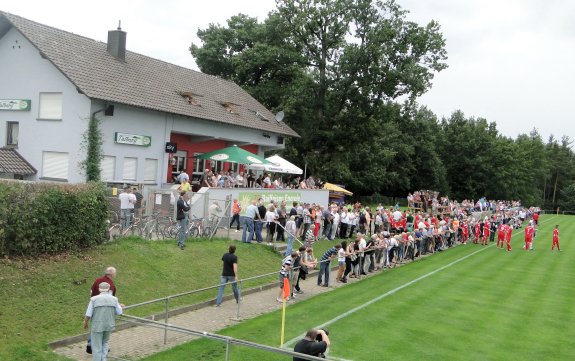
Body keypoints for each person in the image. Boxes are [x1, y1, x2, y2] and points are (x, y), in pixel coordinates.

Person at [83, 282, 123, 361]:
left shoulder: (94, 299)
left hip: (97, 325)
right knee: (105, 343)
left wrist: (85, 322)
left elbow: (88, 314)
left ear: (99, 289)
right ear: (108, 289)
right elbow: (119, 312)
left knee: (96, 346)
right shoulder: (114, 299)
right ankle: (104, 359)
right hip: (109, 324)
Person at [86, 267, 118, 354]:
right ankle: (102, 347)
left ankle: (90, 344)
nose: (115, 275)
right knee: (103, 328)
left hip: (94, 306)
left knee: (94, 326)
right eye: (115, 273)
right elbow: (110, 298)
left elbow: (91, 291)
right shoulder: (110, 285)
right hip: (104, 310)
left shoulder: (97, 280)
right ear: (111, 274)